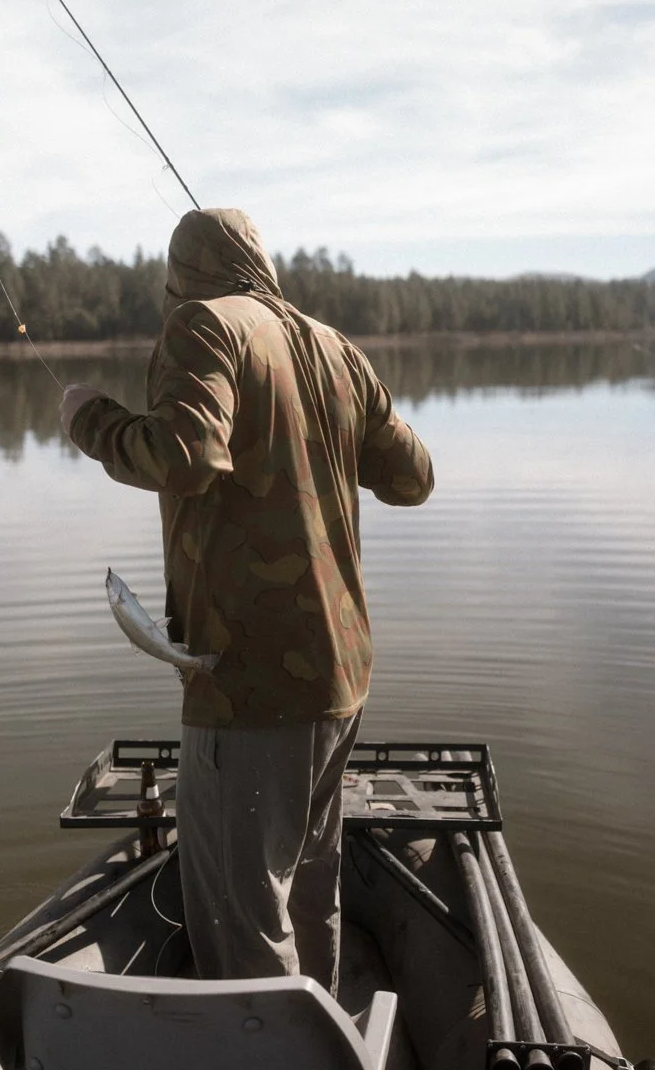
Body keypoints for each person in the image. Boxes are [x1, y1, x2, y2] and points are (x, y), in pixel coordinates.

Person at [59, 208, 434, 996]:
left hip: (251, 681)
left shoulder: (203, 325)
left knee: (242, 917)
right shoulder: (334, 347)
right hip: (341, 673)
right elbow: (412, 479)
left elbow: (185, 456)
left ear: (180, 279)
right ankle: (324, 1037)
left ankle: (275, 1051)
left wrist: (91, 421)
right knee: (309, 889)